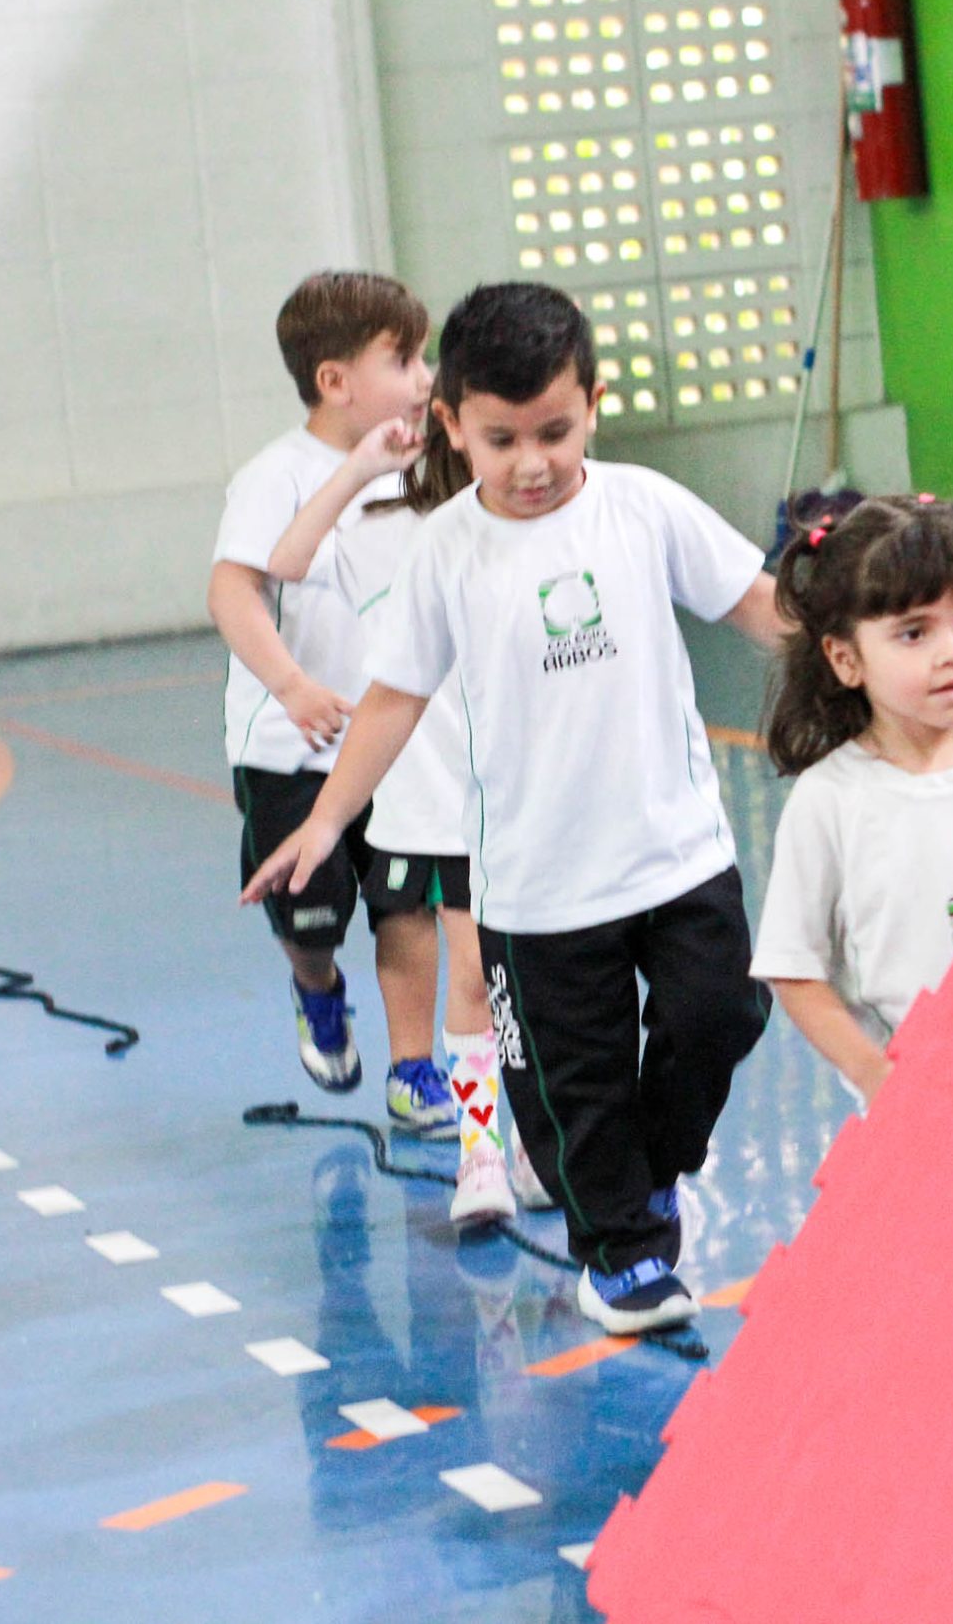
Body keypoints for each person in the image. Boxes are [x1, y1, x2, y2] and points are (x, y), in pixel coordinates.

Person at [243, 282, 781, 1336]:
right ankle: (622, 1257)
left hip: (677, 855)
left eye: (555, 432)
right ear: (451, 424)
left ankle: (655, 1169)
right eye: (502, 439)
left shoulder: (643, 507)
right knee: (578, 1089)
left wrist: (862, 662)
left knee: (718, 1017)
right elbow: (393, 698)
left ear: (593, 405)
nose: (533, 462)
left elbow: (758, 603)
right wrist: (326, 819)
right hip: (537, 890)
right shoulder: (446, 549)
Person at [263, 416, 555, 1229]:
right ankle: (481, 1150)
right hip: (426, 799)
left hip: (519, 789)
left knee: (524, 977)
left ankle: (530, 1137)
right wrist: (360, 468)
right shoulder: (377, 530)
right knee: (474, 973)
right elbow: (285, 562)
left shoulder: (517, 530)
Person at [208, 271, 454, 1132]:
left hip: (395, 742)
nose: (424, 376)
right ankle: (316, 988)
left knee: (407, 902)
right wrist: (292, 684)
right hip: (294, 747)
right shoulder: (274, 476)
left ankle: (414, 1068)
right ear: (335, 379)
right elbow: (233, 591)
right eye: (404, 359)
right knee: (311, 918)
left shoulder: (426, 462)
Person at [752, 495, 953, 1108]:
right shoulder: (830, 801)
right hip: (924, 1107)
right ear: (846, 659)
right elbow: (794, 968)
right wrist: (874, 1073)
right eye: (915, 633)